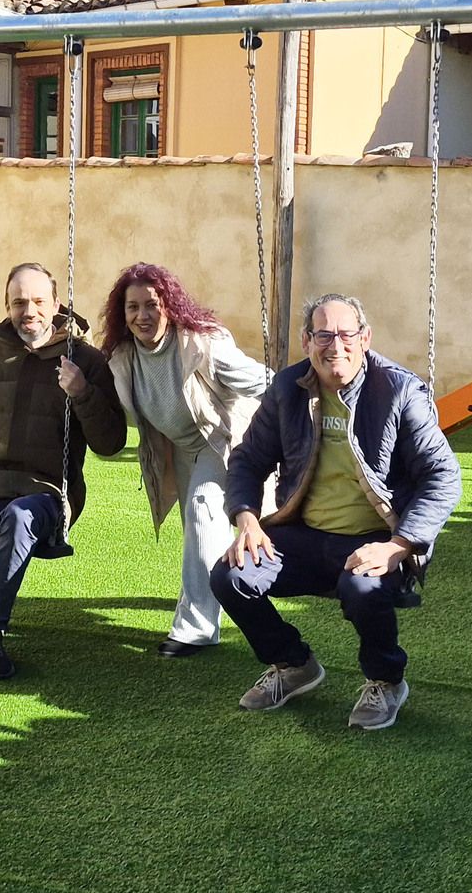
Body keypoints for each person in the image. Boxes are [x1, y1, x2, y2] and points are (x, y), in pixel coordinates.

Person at [211, 293, 461, 731]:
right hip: (305, 534)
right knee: (230, 576)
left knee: (364, 588)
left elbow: (442, 476)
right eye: (323, 335)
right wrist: (246, 518)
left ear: (365, 338)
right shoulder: (287, 389)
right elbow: (248, 459)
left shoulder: (399, 390)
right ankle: (293, 664)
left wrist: (398, 546)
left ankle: (386, 680)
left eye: (346, 334)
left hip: (376, 537)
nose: (336, 345)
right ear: (307, 341)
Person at [0, 262, 127, 680]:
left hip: (46, 489)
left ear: (56, 304)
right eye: (19, 303)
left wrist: (82, 393)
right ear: (7, 306)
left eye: (38, 301)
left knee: (20, 517)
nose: (29, 311)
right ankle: (2, 590)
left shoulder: (85, 360)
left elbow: (110, 442)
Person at [99, 263, 269, 659]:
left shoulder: (202, 345)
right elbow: (101, 396)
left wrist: (302, 404)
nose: (142, 316)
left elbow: (263, 381)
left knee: (203, 508)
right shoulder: (123, 357)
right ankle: (215, 596)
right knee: (199, 531)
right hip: (176, 447)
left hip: (220, 439)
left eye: (152, 305)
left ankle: (197, 628)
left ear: (170, 306)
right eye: (133, 307)